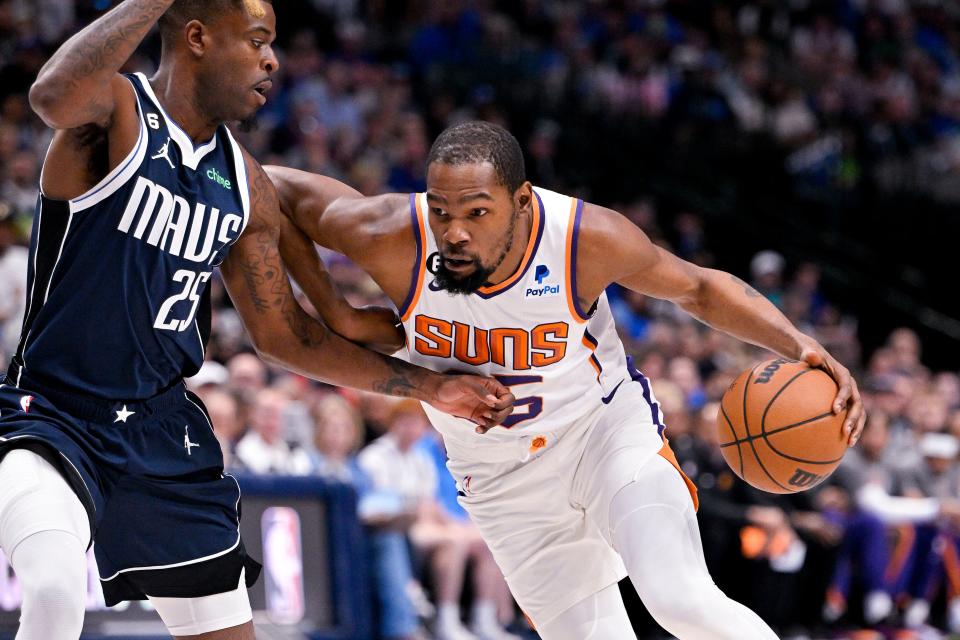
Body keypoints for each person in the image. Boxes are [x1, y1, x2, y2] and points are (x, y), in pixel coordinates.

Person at [2, 4, 513, 640]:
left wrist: (430, 387)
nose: (272, 60)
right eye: (257, 41)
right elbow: (49, 95)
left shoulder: (244, 181)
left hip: (163, 433)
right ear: (196, 38)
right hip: (54, 410)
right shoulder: (115, 111)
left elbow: (285, 338)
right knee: (51, 592)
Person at [269, 120, 868, 639]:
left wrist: (801, 343)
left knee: (678, 597)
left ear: (523, 201)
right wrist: (334, 307)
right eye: (442, 209)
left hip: (603, 435)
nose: (455, 230)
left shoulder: (584, 239)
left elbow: (700, 287)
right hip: (502, 482)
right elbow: (273, 185)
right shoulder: (390, 233)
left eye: (478, 211)